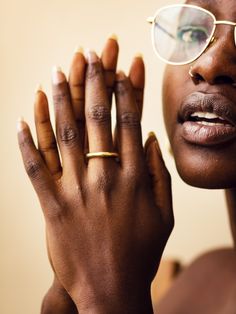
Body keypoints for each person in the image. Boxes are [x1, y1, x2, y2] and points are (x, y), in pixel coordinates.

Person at [17, 0, 236, 313]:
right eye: (192, 32)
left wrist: (106, 297)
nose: (209, 65)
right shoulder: (204, 278)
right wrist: (74, 279)